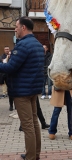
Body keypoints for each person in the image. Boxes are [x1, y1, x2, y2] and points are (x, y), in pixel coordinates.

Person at [0, 16, 44, 160]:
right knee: (34, 122)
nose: (15, 29)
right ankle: (35, 153)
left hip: (22, 91)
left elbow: (11, 67)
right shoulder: (37, 44)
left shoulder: (23, 45)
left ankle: (31, 156)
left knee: (27, 126)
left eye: (16, 27)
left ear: (23, 27)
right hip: (32, 89)